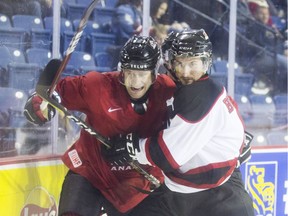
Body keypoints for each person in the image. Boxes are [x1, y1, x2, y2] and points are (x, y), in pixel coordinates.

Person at [104, 29, 255, 216]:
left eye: (193, 63)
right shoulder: (185, 89)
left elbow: (168, 155)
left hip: (217, 200)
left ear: (206, 63)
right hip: (184, 195)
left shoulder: (200, 93)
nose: (185, 71)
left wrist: (133, 148)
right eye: (180, 63)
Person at [23, 35, 176, 215]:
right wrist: (39, 105)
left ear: (154, 73)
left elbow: (188, 126)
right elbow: (54, 93)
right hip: (91, 173)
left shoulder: (168, 91)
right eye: (129, 73)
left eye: (141, 74)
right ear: (121, 71)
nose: (135, 82)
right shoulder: (97, 86)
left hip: (140, 181)